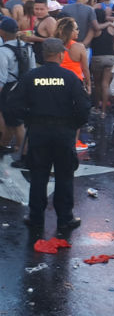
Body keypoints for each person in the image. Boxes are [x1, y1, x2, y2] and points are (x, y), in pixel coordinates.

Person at [8, 38, 90, 230]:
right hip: (63, 133)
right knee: (64, 176)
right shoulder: (70, 78)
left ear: (43, 55)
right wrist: (73, 125)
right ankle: (65, 218)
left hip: (38, 132)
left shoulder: (30, 77)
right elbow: (84, 108)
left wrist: (29, 119)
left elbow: (13, 106)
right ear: (61, 55)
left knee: (38, 175)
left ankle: (35, 217)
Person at [0, 18, 36, 156]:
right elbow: (33, 70)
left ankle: (25, 154)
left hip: (9, 90)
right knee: (13, 120)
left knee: (16, 123)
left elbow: (2, 78)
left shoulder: (3, 51)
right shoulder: (28, 47)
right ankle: (4, 145)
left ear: (2, 31)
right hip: (24, 87)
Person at [90, 9, 114, 114]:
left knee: (97, 84)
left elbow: (87, 42)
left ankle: (97, 107)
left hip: (97, 58)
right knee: (106, 84)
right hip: (110, 57)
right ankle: (104, 111)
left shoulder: (94, 29)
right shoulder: (111, 27)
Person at [21, 0, 56, 65]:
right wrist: (23, 33)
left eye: (42, 9)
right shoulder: (37, 19)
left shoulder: (50, 21)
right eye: (36, 9)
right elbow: (36, 33)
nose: (39, 11)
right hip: (35, 57)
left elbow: (54, 41)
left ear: (47, 9)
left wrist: (35, 39)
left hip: (44, 60)